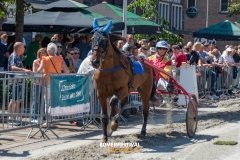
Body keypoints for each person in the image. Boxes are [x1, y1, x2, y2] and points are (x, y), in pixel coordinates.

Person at [37, 43, 69, 127]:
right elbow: (67, 71)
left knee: (47, 102)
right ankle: (52, 121)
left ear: (48, 51)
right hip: (57, 83)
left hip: (47, 82)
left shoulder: (45, 59)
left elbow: (39, 71)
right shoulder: (60, 58)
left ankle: (48, 121)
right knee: (54, 103)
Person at [7, 42, 32, 125]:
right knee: (14, 99)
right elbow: (13, 67)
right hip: (14, 81)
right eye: (23, 48)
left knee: (17, 100)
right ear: (18, 48)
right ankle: (11, 118)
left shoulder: (17, 56)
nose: (24, 49)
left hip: (19, 82)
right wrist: (24, 70)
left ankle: (16, 117)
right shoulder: (13, 56)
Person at [147, 41, 172, 106]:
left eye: (163, 49)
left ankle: (163, 98)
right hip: (151, 79)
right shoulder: (150, 58)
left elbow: (166, 73)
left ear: (166, 50)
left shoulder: (168, 60)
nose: (161, 50)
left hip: (161, 80)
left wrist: (156, 69)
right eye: (160, 48)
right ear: (157, 49)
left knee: (160, 83)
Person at [31, 48, 47, 122]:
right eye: (42, 53)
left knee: (44, 100)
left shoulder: (47, 61)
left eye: (44, 53)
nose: (43, 54)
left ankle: (43, 116)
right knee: (36, 100)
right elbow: (36, 72)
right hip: (37, 83)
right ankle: (33, 117)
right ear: (39, 54)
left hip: (45, 83)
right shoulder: (36, 61)